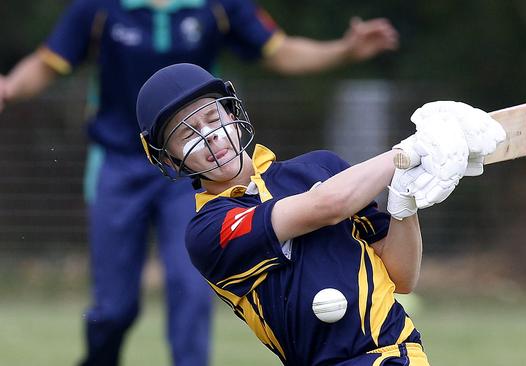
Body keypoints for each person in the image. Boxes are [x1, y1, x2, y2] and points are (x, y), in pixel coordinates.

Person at [0, 1, 398, 365]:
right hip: (119, 164)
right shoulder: (98, 7)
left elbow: (279, 50)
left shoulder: (219, 6)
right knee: (114, 308)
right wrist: (8, 89)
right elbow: (47, 62)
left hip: (199, 171)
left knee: (189, 291)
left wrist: (343, 50)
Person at [135, 63, 505, 365]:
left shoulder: (322, 168)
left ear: (232, 114)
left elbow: (403, 277)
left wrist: (405, 200)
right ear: (169, 159)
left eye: (212, 118)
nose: (209, 137)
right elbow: (326, 206)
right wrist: (407, 152)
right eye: (187, 135)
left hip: (398, 353)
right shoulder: (208, 231)